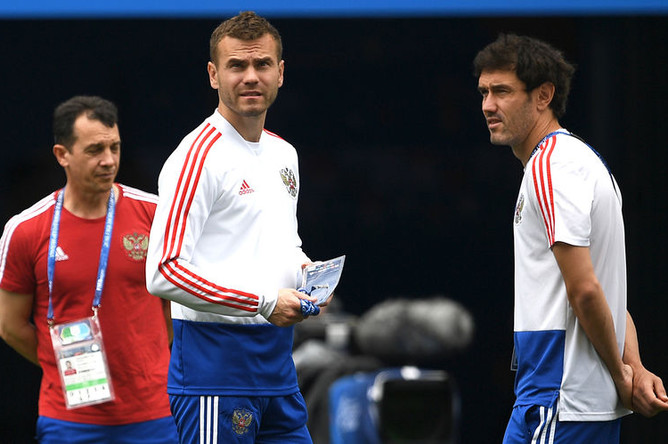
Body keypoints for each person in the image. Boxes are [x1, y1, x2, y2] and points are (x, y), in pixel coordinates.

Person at [473, 34, 668, 443]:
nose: (488, 105)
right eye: (485, 92)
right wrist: (633, 368)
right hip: (566, 402)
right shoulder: (582, 161)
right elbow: (605, 290)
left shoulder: (550, 167)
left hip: (558, 399)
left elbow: (585, 290)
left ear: (543, 95)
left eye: (502, 91)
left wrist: (622, 374)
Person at [145, 11, 324, 443]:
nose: (251, 77)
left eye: (262, 64)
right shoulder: (197, 156)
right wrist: (264, 301)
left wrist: (307, 273)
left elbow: (280, 242)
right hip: (214, 373)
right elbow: (163, 271)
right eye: (236, 65)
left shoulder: (284, 154)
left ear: (280, 73)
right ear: (213, 75)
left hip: (279, 370)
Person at [0, 95, 178, 443]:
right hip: (69, 418)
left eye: (115, 147)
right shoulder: (26, 230)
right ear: (62, 154)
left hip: (154, 413)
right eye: (95, 150)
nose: (108, 160)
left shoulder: (156, 215)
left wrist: (144, 358)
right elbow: (10, 325)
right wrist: (65, 366)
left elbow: (175, 305)